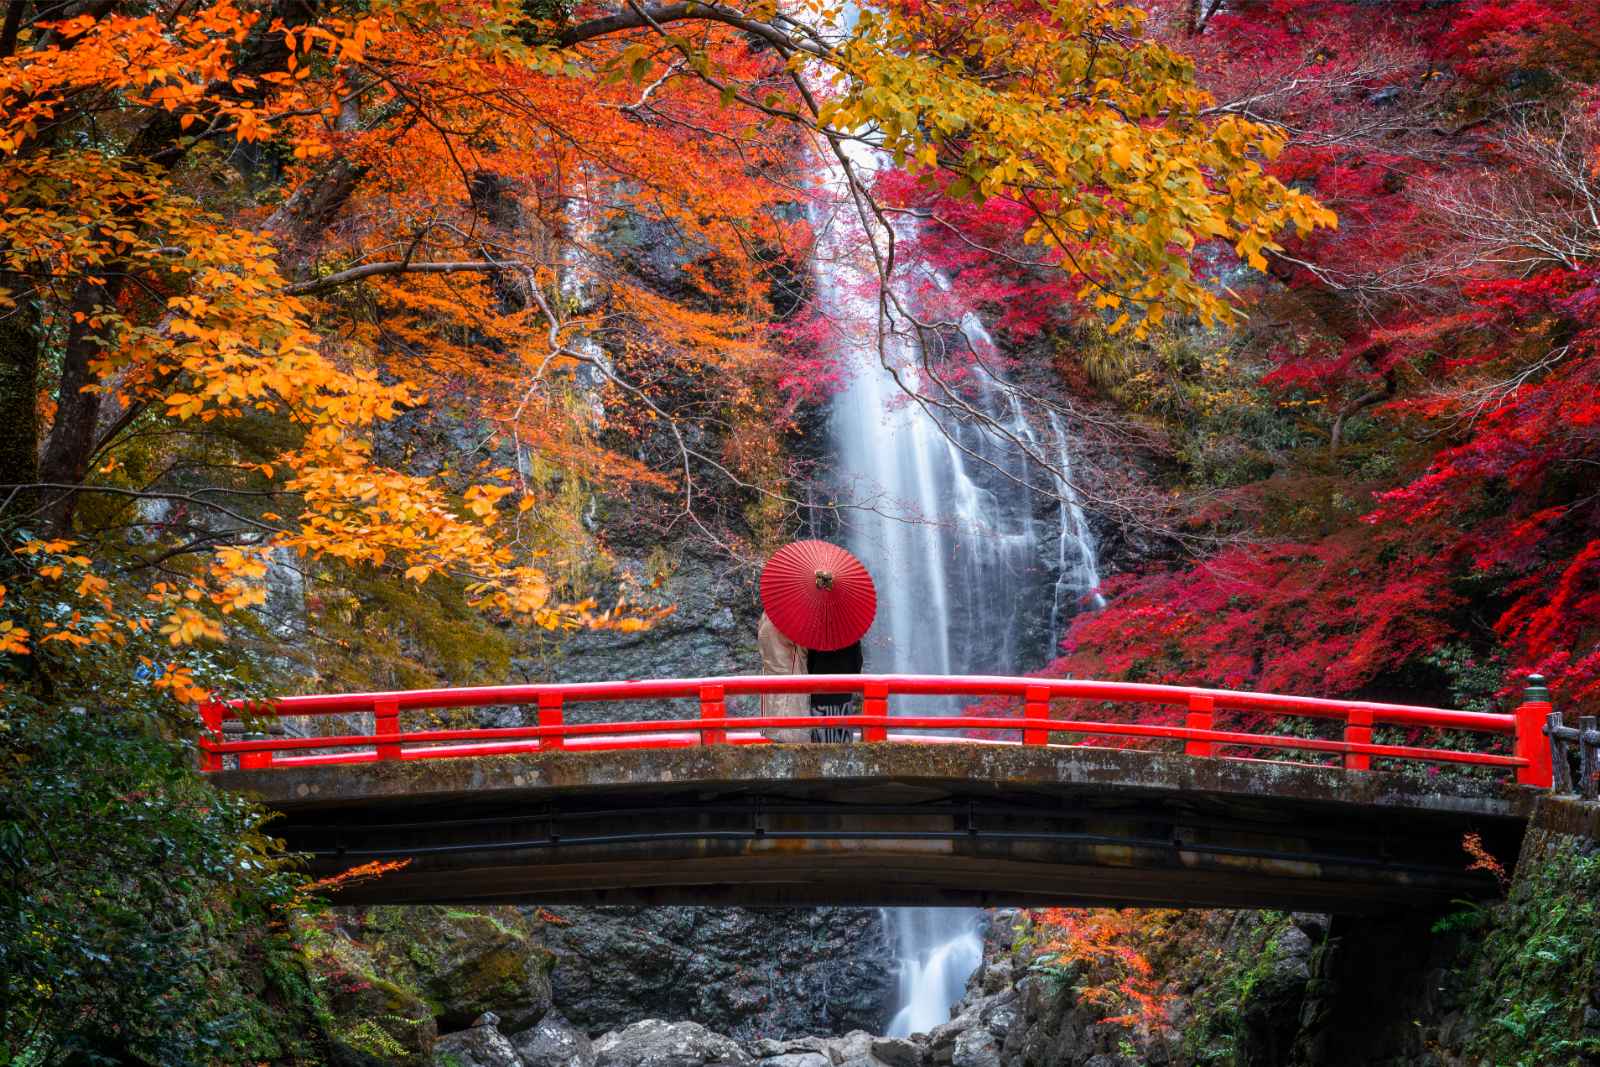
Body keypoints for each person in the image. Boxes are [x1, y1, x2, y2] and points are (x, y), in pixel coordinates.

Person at [757, 612, 811, 742]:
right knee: (790, 732)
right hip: (791, 678)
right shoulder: (791, 621)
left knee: (776, 729)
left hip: (771, 678)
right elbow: (803, 648)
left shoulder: (766, 618)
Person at [807, 640, 863, 743]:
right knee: (843, 745)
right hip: (843, 694)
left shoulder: (815, 635)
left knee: (819, 746)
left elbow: (809, 664)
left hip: (819, 694)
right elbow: (857, 664)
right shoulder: (850, 634)